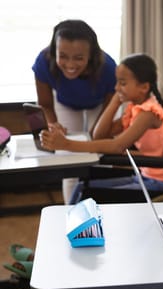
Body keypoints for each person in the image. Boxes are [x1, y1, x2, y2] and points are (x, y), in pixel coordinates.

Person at [40, 53, 163, 204]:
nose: (116, 87)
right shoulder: (136, 108)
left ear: (143, 87)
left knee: (87, 193)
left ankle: (76, 227)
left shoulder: (148, 113)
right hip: (147, 174)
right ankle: (70, 226)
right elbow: (99, 135)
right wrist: (115, 102)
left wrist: (66, 144)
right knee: (81, 186)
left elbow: (117, 146)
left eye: (122, 83)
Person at [32, 19, 117, 203]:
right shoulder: (43, 62)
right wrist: (54, 126)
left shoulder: (109, 68)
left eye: (79, 58)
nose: (70, 65)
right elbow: (45, 104)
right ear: (54, 52)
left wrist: (93, 141)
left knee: (101, 155)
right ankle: (70, 212)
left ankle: (103, 205)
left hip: (100, 106)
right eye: (63, 56)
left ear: (91, 55)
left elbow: (110, 107)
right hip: (66, 104)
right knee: (68, 159)